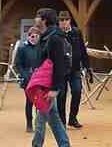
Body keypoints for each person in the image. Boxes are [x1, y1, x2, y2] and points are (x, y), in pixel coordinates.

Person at [32, 8, 72, 147]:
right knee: (53, 118)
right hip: (44, 83)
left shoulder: (54, 38)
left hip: (49, 86)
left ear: (44, 20)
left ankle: (37, 145)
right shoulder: (45, 36)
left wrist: (54, 89)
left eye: (38, 16)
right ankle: (64, 144)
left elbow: (59, 65)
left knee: (40, 119)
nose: (35, 19)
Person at [56, 11, 89, 129]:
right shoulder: (56, 34)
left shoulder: (76, 32)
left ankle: (72, 118)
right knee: (61, 95)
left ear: (70, 21)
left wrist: (87, 66)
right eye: (61, 20)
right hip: (60, 70)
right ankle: (61, 121)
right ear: (58, 22)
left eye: (66, 20)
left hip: (75, 69)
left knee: (77, 91)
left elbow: (82, 50)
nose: (64, 22)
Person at [17, 27, 43, 133]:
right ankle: (29, 123)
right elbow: (18, 64)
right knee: (30, 101)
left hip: (39, 78)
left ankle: (38, 122)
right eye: (32, 36)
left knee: (39, 100)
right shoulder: (22, 48)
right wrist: (25, 75)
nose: (34, 38)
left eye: (36, 37)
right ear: (28, 36)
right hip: (27, 78)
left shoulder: (40, 48)